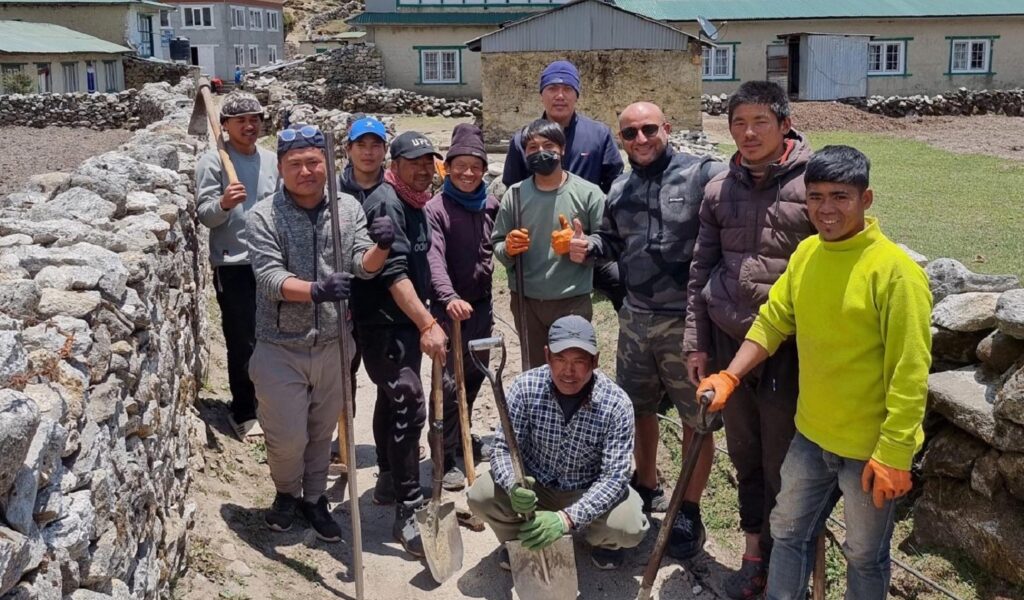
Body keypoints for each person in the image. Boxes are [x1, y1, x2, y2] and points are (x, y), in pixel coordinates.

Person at [698, 145, 932, 600]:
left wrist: (896, 453)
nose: (826, 209)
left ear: (866, 200)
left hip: (869, 452)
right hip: (809, 436)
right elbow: (773, 321)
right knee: (786, 532)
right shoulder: (806, 253)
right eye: (816, 196)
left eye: (840, 197)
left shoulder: (895, 274)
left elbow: (911, 371)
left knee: (864, 556)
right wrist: (730, 375)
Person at [574, 102, 726, 555]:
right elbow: (612, 242)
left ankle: (689, 510)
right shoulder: (619, 188)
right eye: (630, 133)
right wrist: (588, 245)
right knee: (638, 409)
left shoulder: (701, 174)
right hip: (636, 319)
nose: (640, 140)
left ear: (667, 128)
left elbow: (743, 189)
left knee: (696, 421)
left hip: (689, 323)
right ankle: (645, 484)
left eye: (648, 129)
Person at [683, 80, 815, 598]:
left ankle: (788, 564)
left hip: (787, 349)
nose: (748, 132)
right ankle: (754, 552)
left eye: (760, 121)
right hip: (726, 344)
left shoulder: (814, 184)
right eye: (739, 122)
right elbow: (700, 268)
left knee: (785, 459)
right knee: (744, 454)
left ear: (784, 124)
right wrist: (696, 342)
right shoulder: (719, 188)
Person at [245, 123, 394, 542]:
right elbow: (269, 278)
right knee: (287, 435)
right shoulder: (263, 216)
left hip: (334, 343)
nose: (306, 171)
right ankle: (285, 492)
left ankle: (312, 499)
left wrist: (380, 247)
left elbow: (364, 265)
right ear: (281, 168)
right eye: (296, 164)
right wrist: (315, 291)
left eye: (314, 162)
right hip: (280, 346)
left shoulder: (347, 209)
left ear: (328, 163)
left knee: (321, 431)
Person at [467, 315, 650, 570]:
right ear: (547, 356)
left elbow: (614, 477)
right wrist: (512, 485)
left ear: (595, 361)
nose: (568, 371)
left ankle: (604, 544)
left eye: (579, 361)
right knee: (481, 496)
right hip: (534, 486)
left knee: (629, 526)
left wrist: (565, 519)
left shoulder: (617, 404)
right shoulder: (525, 387)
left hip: (585, 489)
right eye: (560, 359)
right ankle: (520, 540)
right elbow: (503, 449)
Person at [351, 130, 449, 557]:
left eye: (429, 161)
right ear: (395, 165)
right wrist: (428, 323)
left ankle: (390, 479)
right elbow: (394, 277)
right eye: (415, 162)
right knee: (409, 402)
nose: (425, 169)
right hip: (383, 324)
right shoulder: (388, 202)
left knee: (392, 400)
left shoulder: (416, 201)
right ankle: (408, 509)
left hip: (403, 323)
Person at [501, 60, 626, 311]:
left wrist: (595, 236)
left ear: (577, 94)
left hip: (589, 241)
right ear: (541, 94)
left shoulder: (598, 135)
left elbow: (615, 185)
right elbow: (513, 192)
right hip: (540, 245)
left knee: (624, 286)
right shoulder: (523, 140)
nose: (560, 95)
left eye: (567, 89)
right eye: (552, 88)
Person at [195, 91, 278, 441]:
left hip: (271, 261)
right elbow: (205, 216)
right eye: (240, 120)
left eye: (254, 118)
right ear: (225, 125)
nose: (249, 125)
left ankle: (273, 404)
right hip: (234, 263)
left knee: (273, 337)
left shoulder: (272, 161)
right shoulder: (214, 163)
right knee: (243, 339)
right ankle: (244, 411)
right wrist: (225, 204)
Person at [491, 119, 605, 369]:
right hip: (526, 302)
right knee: (535, 370)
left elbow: (607, 240)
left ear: (562, 149)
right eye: (532, 147)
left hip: (572, 300)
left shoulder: (589, 193)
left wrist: (584, 244)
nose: (540, 152)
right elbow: (498, 242)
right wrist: (509, 248)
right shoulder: (516, 194)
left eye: (548, 145)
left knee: (575, 372)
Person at [425, 123, 500, 490]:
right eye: (460, 165)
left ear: (484, 169)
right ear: (447, 167)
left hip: (481, 309)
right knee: (448, 383)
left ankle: (463, 436)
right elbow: (433, 257)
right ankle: (445, 451)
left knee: (473, 377)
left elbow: (500, 248)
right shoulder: (436, 208)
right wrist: (448, 297)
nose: (468, 173)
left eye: (475, 166)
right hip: (447, 309)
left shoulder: (491, 204)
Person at [340, 114, 387, 204]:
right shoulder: (334, 189)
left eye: (375, 145)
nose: (368, 152)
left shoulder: (397, 190)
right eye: (361, 145)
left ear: (385, 149)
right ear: (348, 149)